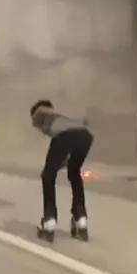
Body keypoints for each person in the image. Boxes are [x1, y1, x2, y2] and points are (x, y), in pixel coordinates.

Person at [30, 100, 93, 241]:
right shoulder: (61, 117)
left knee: (47, 176)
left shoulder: (40, 113)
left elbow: (61, 142)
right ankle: (80, 219)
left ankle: (49, 221)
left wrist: (52, 168)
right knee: (74, 173)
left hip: (66, 136)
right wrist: (58, 164)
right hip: (85, 136)